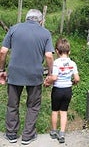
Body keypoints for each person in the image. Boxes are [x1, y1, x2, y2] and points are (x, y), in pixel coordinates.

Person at [0, 9, 54, 145]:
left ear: (26, 18)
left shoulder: (14, 29)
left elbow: (3, 51)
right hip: (34, 74)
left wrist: (1, 70)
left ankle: (11, 134)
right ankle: (27, 136)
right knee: (33, 106)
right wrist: (51, 74)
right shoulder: (45, 32)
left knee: (12, 104)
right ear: (41, 21)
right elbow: (49, 55)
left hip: (14, 72)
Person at [44, 38, 80, 144]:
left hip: (57, 90)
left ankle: (54, 131)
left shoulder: (56, 63)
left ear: (56, 51)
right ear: (69, 51)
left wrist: (47, 83)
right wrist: (73, 83)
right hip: (67, 90)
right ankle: (62, 133)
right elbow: (77, 79)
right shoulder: (72, 63)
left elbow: (54, 77)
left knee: (55, 111)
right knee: (64, 112)